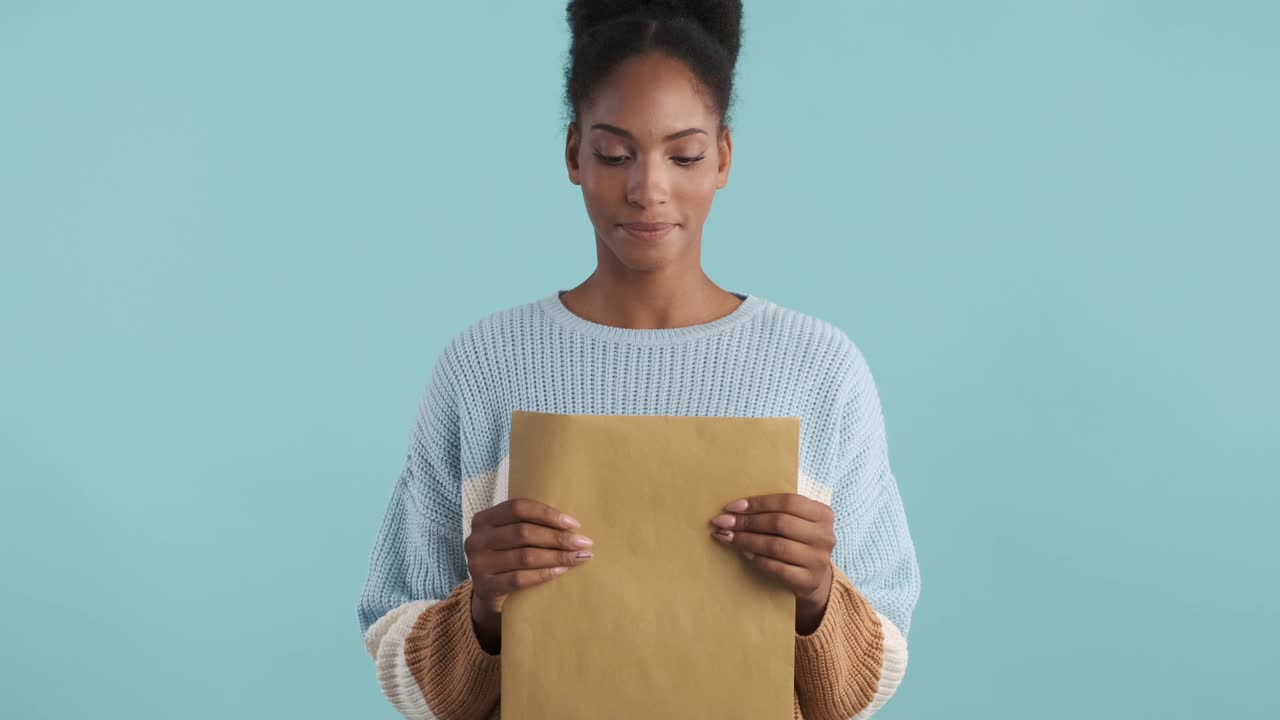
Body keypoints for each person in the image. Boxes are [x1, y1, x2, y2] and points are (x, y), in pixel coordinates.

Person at [356, 1, 921, 717]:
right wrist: (484, 611)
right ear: (573, 154)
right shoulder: (484, 366)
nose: (647, 189)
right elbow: (396, 650)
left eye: (683, 155)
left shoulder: (818, 369)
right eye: (615, 153)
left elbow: (871, 677)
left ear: (722, 157)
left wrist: (816, 597)